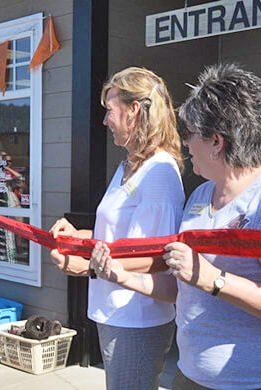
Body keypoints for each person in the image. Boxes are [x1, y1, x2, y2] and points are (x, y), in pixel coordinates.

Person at [90, 64, 261, 389]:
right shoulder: (200, 196)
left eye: (190, 132)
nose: (184, 142)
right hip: (194, 376)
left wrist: (215, 280)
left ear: (216, 142)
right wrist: (121, 276)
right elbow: (182, 287)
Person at [50, 67, 185, 389]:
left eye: (109, 111)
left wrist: (87, 268)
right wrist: (79, 238)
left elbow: (156, 255)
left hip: (137, 317)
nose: (104, 120)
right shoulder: (129, 165)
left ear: (134, 110)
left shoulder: (159, 173)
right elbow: (118, 237)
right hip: (115, 310)